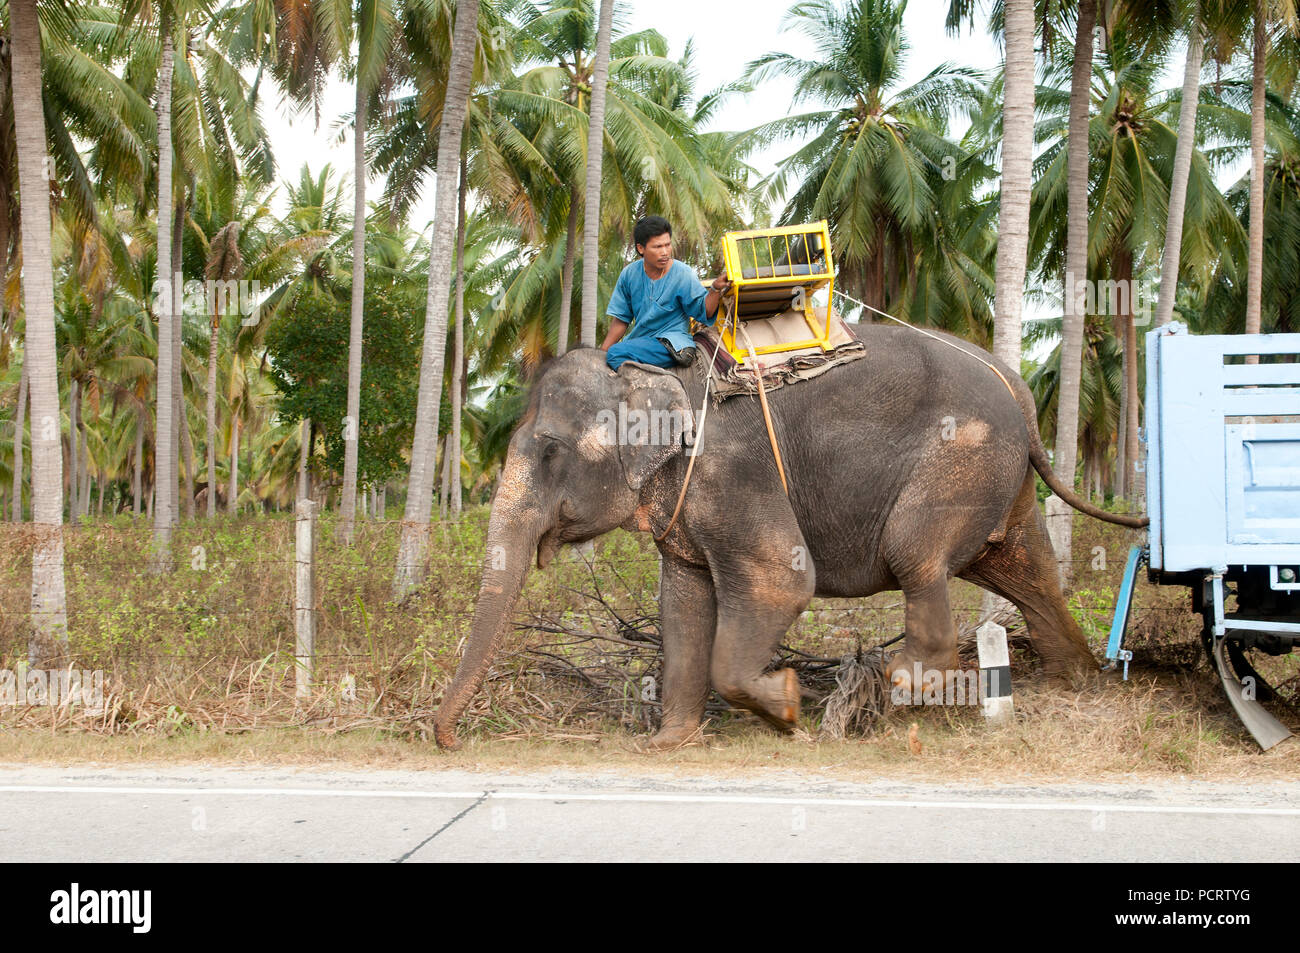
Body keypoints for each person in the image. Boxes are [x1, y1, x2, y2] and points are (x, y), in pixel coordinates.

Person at [600, 216, 731, 371]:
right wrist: (601, 353)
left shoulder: (683, 273)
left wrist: (715, 289)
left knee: (616, 354)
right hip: (642, 344)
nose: (665, 252)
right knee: (611, 353)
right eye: (657, 247)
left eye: (667, 245)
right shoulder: (629, 274)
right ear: (641, 248)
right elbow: (621, 319)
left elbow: (704, 311)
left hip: (674, 345)